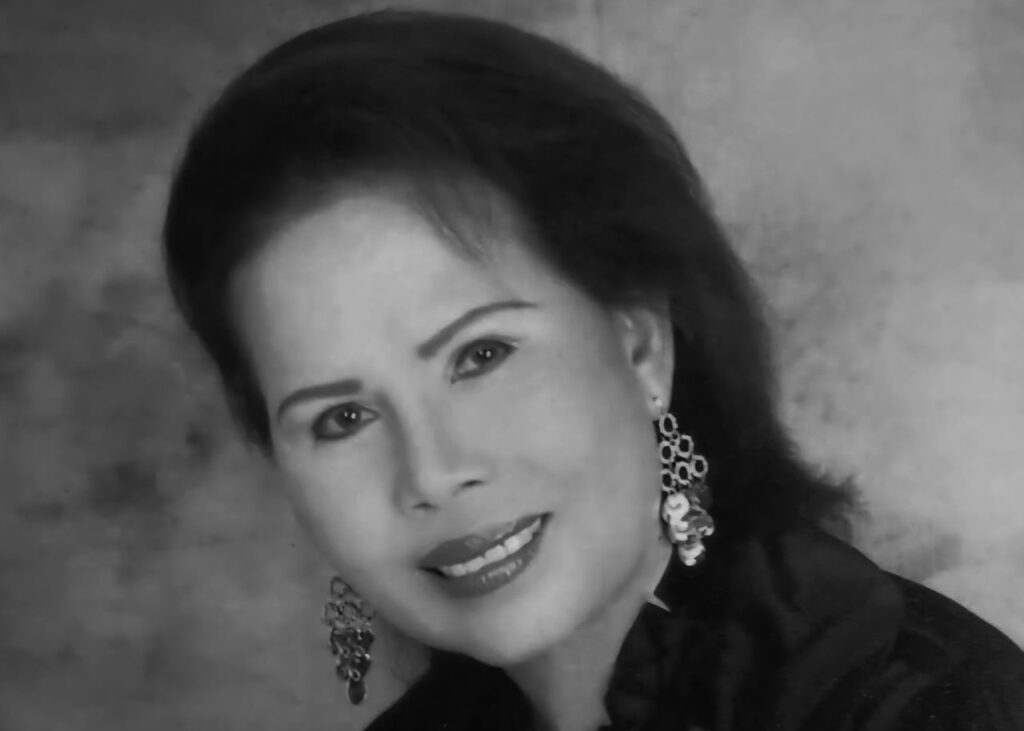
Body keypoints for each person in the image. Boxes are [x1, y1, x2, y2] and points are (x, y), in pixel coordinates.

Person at [161, 9, 1024, 731]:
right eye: (342, 418)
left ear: (642, 345)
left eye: (480, 355)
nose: (431, 471)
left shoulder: (923, 703)